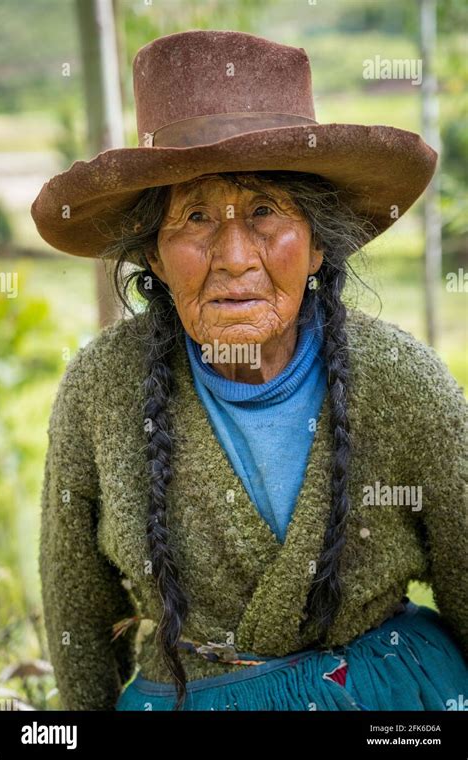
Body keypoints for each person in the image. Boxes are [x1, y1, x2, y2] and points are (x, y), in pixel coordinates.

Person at [31, 29, 467, 712]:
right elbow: (77, 619)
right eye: (196, 216)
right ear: (153, 254)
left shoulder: (405, 381)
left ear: (318, 243)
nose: (234, 255)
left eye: (265, 211)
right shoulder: (100, 389)